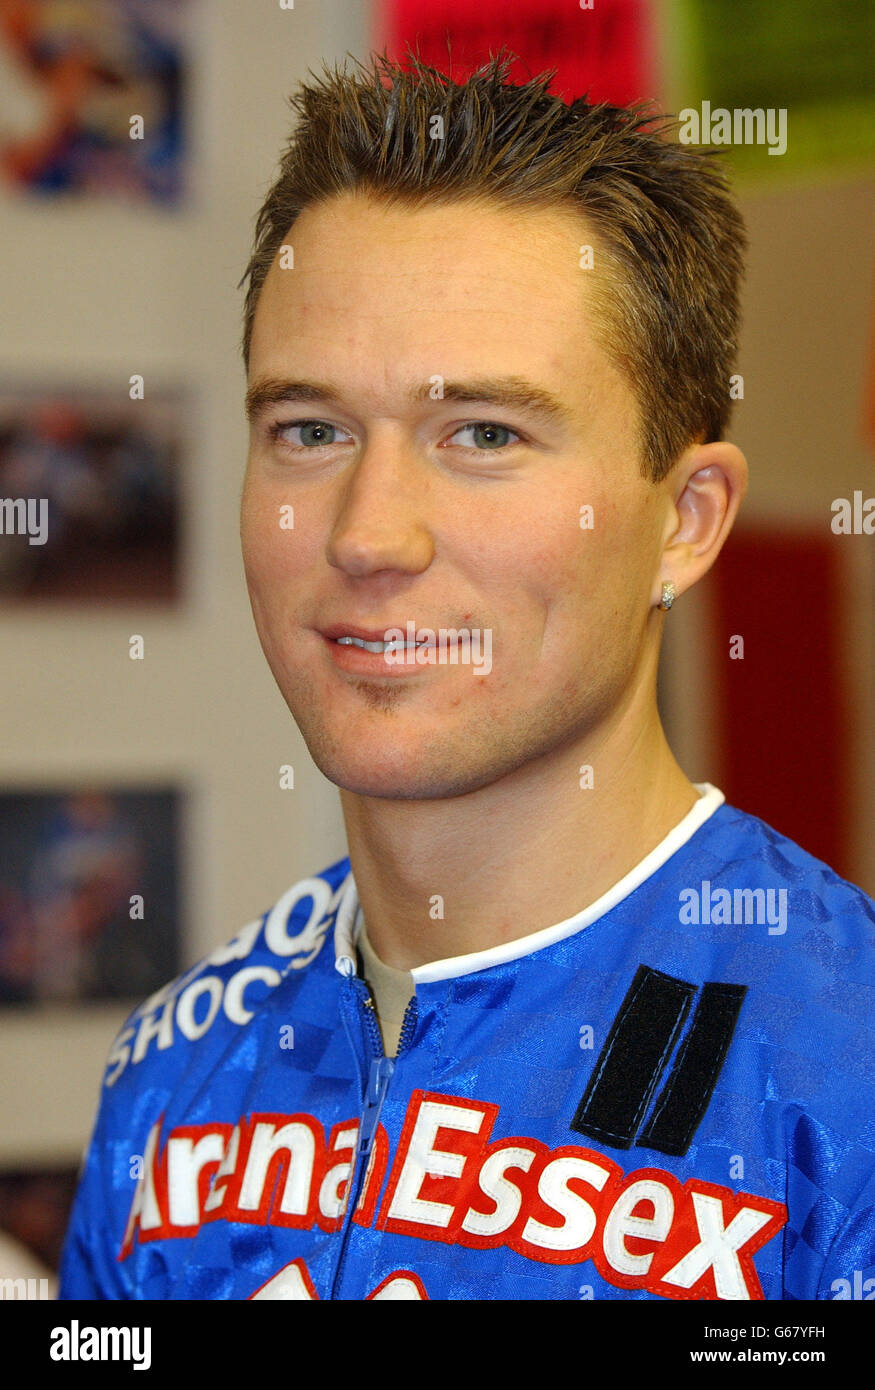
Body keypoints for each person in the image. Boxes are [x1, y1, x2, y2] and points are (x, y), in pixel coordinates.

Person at [59, 52, 874, 1302]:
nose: (368, 533)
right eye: (310, 430)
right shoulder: (176, 1075)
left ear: (684, 520)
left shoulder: (841, 1063)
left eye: (483, 434)